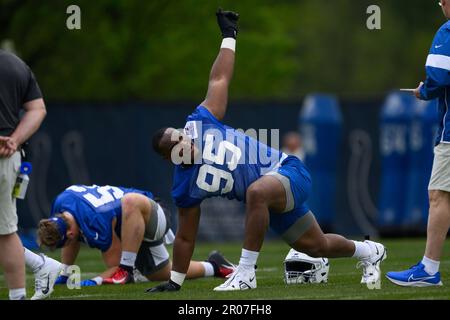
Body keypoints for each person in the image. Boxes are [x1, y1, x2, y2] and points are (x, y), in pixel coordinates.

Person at [147, 8, 386, 293]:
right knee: (314, 245)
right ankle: (370, 251)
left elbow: (219, 80)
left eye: (181, 135)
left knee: (256, 192)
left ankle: (246, 273)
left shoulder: (200, 121)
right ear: (169, 158)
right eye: (176, 145)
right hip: (271, 197)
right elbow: (186, 238)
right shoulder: (184, 186)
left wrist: (228, 36)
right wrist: (174, 282)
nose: (185, 142)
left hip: (288, 172)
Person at [37, 184, 234, 291]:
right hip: (130, 226)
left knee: (130, 202)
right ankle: (215, 266)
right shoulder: (61, 206)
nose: (70, 242)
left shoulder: (94, 221)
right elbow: (73, 240)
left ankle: (127, 268)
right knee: (163, 274)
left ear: (69, 234)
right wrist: (65, 273)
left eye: (68, 240)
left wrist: (97, 280)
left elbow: (112, 265)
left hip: (150, 214)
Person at [386, 0, 450, 287]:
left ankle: (429, 268)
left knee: (439, 196)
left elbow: (437, 77)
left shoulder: (448, 31)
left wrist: (424, 91)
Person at [0, 49, 47, 300]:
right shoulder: (15, 64)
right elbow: (38, 109)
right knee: (5, 229)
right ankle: (36, 271)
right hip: (8, 156)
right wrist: (14, 140)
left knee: (5, 230)